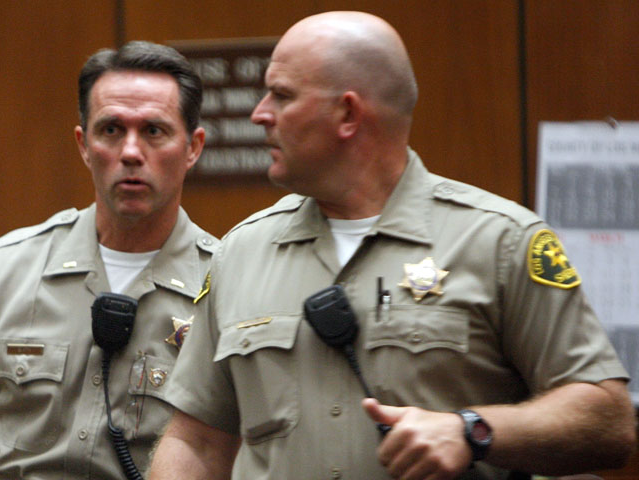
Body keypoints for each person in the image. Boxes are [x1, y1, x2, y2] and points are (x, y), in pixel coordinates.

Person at [148, 11, 636, 480]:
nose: (259, 114)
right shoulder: (241, 252)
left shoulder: (499, 242)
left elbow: (608, 420)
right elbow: (196, 442)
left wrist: (472, 430)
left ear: (347, 113)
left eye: (282, 96)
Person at [0, 41, 218, 479]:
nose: (131, 152)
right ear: (84, 144)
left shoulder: (225, 284)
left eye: (154, 131)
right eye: (112, 130)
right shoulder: (9, 269)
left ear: (193, 147)